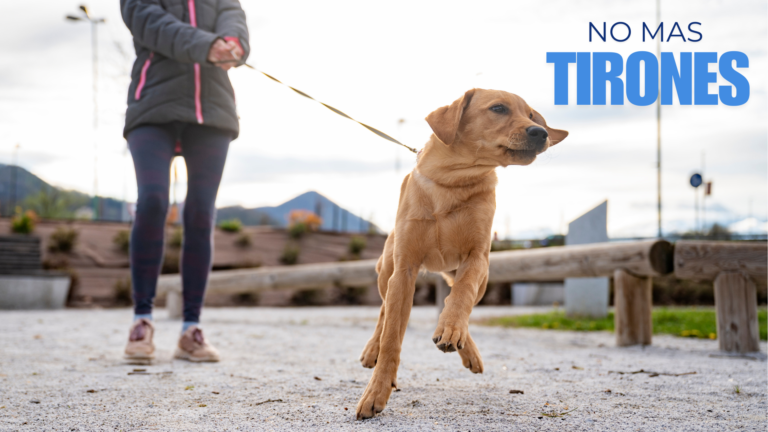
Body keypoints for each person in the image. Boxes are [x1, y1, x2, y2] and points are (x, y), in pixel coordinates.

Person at [120, 0, 250, 363]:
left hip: (213, 112)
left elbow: (233, 17)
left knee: (200, 213)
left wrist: (233, 43)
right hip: (153, 107)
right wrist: (207, 46)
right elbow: (149, 22)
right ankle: (141, 320)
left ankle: (190, 329)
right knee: (153, 201)